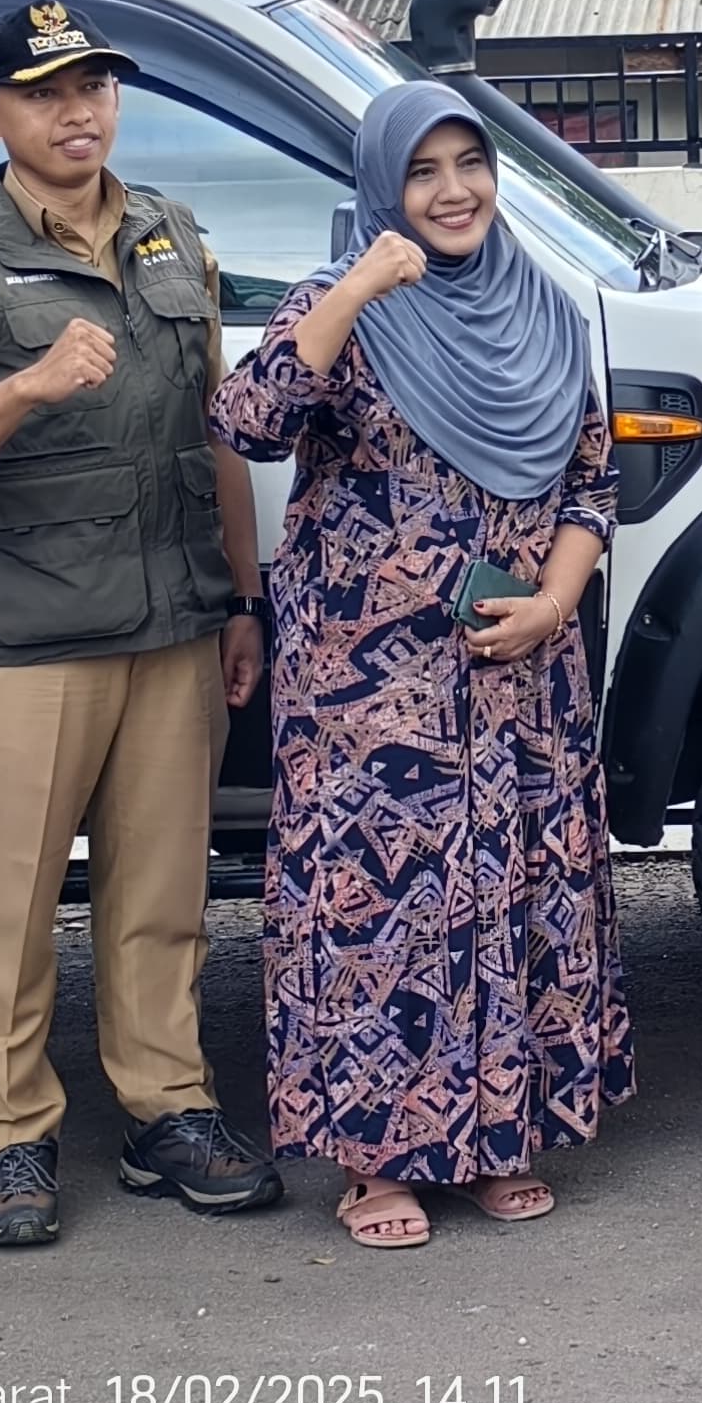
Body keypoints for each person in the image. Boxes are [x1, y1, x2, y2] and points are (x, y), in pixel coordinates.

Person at [0, 0, 274, 1244]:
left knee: (162, 894)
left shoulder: (171, 234)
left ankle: (169, 1110)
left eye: (93, 87)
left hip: (170, 627)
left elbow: (218, 430)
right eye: (46, 93)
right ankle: (10, 1138)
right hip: (25, 642)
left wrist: (243, 597)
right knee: (10, 905)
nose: (77, 111)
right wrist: (34, 380)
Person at [217, 84, 633, 1249]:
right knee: (381, 909)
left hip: (521, 668)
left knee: (508, 892)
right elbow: (247, 419)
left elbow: (590, 485)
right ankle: (375, 1160)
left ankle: (501, 1136)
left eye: (470, 165)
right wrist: (355, 292)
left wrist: (555, 601)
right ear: (381, 190)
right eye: (423, 172)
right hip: (365, 686)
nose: (453, 192)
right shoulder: (338, 306)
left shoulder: (543, 309)